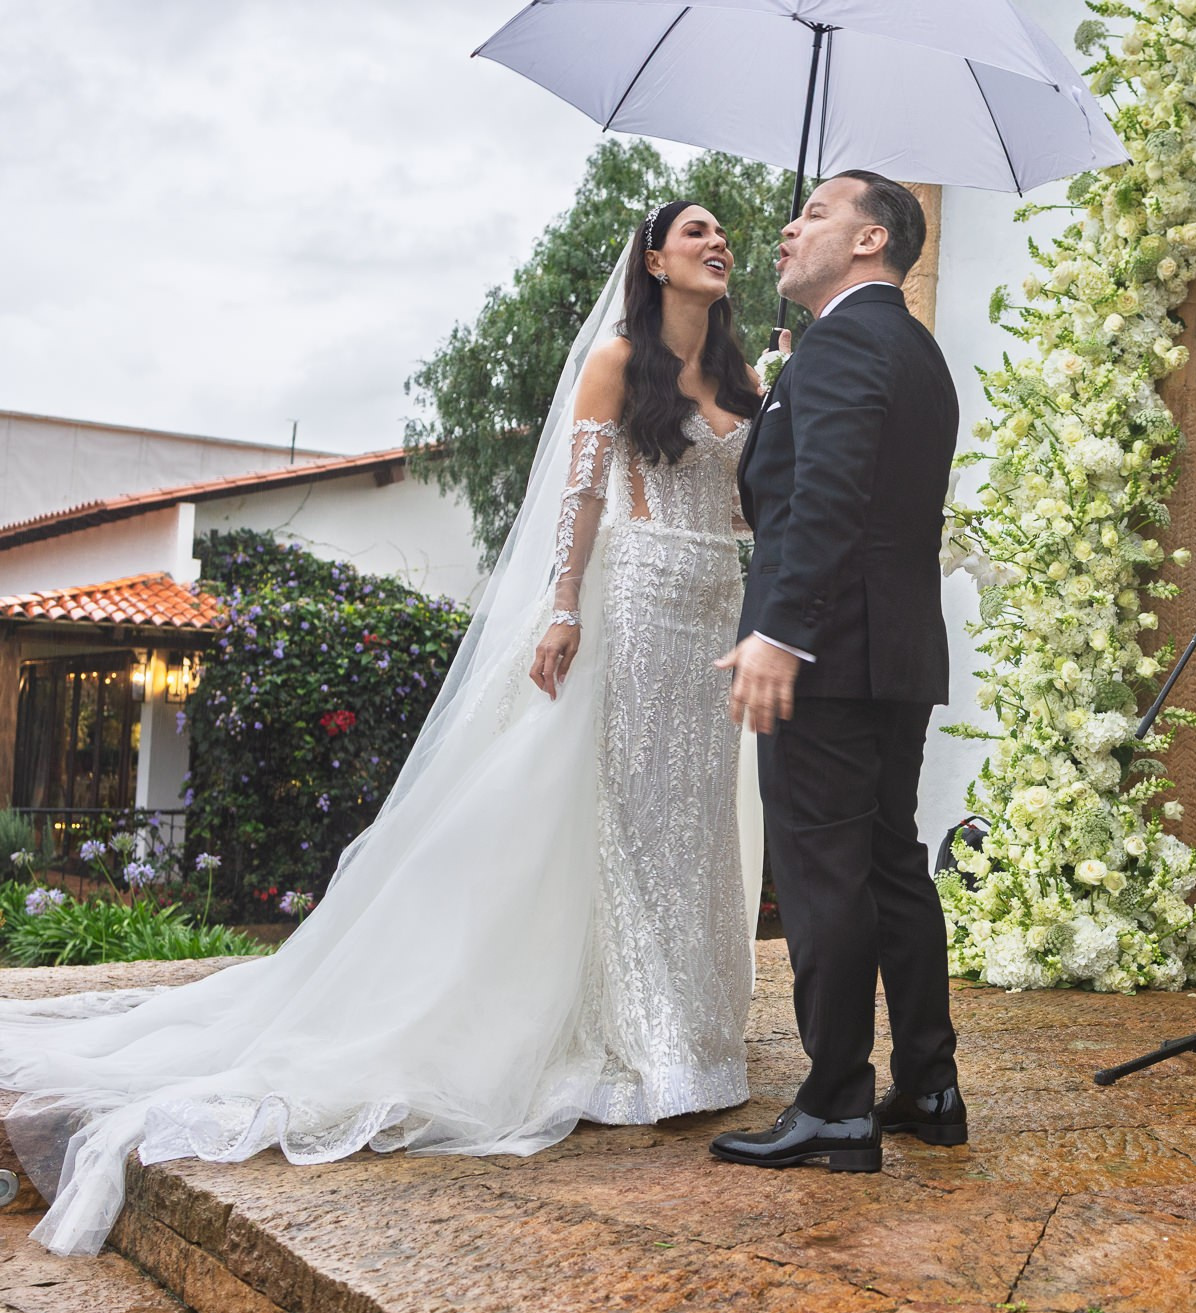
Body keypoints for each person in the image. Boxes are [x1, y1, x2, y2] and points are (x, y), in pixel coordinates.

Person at [0, 202, 765, 1255]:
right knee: (627, 815)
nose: (717, 244)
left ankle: (693, 1029)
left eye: (723, 235)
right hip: (630, 607)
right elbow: (578, 501)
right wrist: (562, 607)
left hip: (711, 616)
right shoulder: (616, 363)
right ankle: (639, 1041)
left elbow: (750, 512)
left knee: (693, 820)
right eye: (695, 233)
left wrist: (785, 408)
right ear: (652, 258)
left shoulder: (745, 381)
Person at [708, 172, 964, 1173]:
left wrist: (781, 632)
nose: (785, 226)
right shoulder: (905, 344)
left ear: (868, 240)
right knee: (887, 863)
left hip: (830, 652)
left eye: (812, 212)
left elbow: (831, 498)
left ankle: (834, 1105)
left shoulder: (848, 339)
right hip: (889, 649)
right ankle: (929, 1085)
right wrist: (784, 399)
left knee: (821, 876)